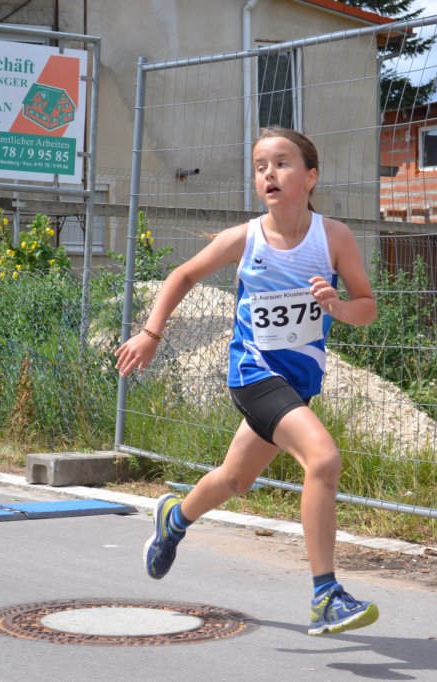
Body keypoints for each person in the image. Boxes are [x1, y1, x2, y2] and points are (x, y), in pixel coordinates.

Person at [115, 126, 379, 637]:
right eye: (260, 167)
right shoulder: (246, 237)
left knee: (236, 480)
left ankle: (174, 519)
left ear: (310, 177)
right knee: (323, 459)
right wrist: (151, 333)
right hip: (253, 375)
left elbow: (366, 306)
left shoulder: (334, 238)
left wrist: (338, 306)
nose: (269, 174)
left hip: (297, 385)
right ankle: (325, 595)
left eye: (281, 163)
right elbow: (182, 276)